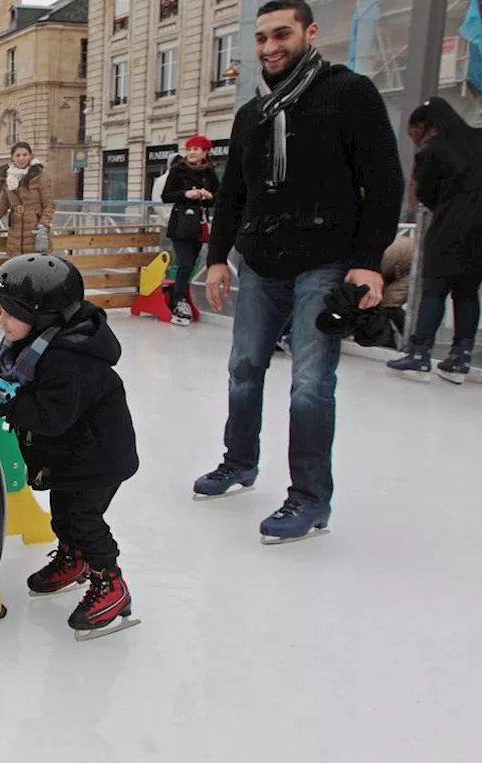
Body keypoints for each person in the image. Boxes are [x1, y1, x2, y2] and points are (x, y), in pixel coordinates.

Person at [198, 0, 404, 543]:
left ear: (309, 32)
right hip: (263, 260)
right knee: (244, 366)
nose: (270, 47)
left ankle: (310, 499)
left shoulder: (348, 93)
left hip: (326, 256)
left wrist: (367, 262)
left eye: (281, 34)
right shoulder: (252, 115)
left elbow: (384, 181)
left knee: (311, 383)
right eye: (262, 37)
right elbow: (233, 197)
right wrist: (218, 257)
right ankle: (238, 462)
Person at [0, 255, 139, 638]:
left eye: (10, 313)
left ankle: (111, 585)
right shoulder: (30, 344)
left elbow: (48, 418)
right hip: (72, 456)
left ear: (44, 316)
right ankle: (74, 559)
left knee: (84, 519)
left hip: (99, 459)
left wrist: (3, 396)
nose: (1, 319)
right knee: (63, 515)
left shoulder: (69, 361)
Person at [386, 97, 482, 384]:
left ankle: (419, 353)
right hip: (480, 231)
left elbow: (423, 198)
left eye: (412, 131)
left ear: (424, 125)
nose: (413, 138)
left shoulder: (432, 152)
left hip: (449, 227)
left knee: (433, 290)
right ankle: (461, 357)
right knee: (466, 292)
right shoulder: (478, 139)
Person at [160, 136, 221, 326]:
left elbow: (218, 197)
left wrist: (209, 196)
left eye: (196, 149)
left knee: (192, 264)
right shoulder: (179, 170)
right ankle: (179, 300)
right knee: (185, 262)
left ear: (205, 152)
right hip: (181, 224)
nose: (192, 152)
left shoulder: (209, 172)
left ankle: (181, 296)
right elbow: (166, 196)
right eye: (189, 149)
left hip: (199, 224)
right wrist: (187, 194)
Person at [0, 142, 56, 257]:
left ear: (30, 156)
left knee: (36, 270)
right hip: (15, 233)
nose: (21, 158)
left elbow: (49, 204)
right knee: (17, 269)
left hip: (36, 232)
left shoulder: (41, 175)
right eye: (18, 155)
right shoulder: (8, 177)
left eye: (25, 155)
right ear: (12, 158)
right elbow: (2, 207)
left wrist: (43, 225)